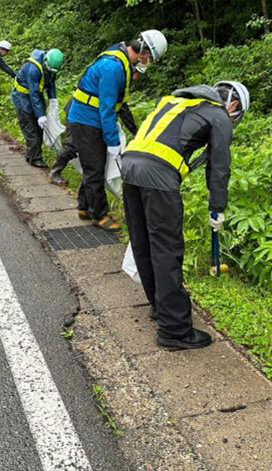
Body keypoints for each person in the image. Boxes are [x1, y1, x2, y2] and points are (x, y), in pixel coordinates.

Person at [120, 81, 250, 350]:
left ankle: (160, 306)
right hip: (157, 176)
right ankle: (174, 330)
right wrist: (218, 207)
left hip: (129, 167)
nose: (232, 121)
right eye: (236, 116)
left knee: (144, 243)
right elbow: (219, 166)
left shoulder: (177, 102)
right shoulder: (218, 115)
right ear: (234, 105)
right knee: (167, 249)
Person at [67, 30, 167, 231]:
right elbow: (107, 109)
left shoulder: (121, 58)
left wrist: (136, 131)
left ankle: (84, 207)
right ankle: (100, 215)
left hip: (91, 119)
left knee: (93, 165)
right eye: (150, 59)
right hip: (86, 120)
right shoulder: (113, 68)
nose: (148, 63)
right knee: (95, 168)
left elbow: (121, 105)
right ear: (145, 52)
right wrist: (113, 142)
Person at [49, 97, 139, 187]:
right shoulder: (113, 84)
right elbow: (122, 108)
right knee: (73, 144)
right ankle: (55, 172)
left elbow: (121, 107)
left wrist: (134, 131)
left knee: (90, 148)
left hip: (88, 112)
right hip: (80, 111)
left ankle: (88, 182)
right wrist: (135, 131)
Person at [11, 48, 65, 168]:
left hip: (36, 94)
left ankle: (32, 154)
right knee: (30, 126)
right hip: (22, 96)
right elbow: (33, 93)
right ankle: (35, 158)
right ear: (45, 61)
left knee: (40, 127)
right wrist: (40, 115)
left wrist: (53, 99)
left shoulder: (51, 65)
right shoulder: (33, 69)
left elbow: (51, 83)